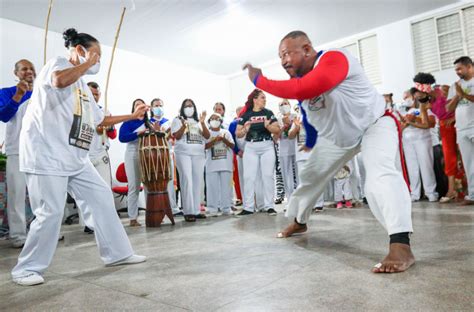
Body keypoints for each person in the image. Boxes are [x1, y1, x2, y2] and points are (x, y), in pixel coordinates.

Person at [243, 30, 414, 273]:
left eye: (286, 53)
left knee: (380, 176)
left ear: (306, 48)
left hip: (374, 124)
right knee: (310, 177)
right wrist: (311, 142)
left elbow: (308, 87)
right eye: (279, 57)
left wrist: (259, 80)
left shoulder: (335, 59)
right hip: (338, 139)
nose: (283, 61)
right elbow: (310, 115)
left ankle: (400, 244)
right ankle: (299, 221)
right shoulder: (303, 91)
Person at [12, 28, 147, 286]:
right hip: (47, 154)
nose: (97, 62)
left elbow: (100, 119)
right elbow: (59, 81)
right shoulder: (59, 64)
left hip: (75, 156)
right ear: (80, 50)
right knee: (50, 211)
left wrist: (132, 116)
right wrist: (86, 63)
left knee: (102, 198)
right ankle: (25, 269)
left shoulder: (83, 85)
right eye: (96, 55)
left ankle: (117, 253)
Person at [0, 59, 36, 248]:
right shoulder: (6, 92)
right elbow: (3, 115)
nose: (29, 71)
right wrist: (18, 95)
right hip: (17, 151)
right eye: (24, 69)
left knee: (42, 194)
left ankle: (41, 231)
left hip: (39, 151)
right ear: (16, 73)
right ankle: (18, 236)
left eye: (31, 68)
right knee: (17, 194)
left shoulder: (41, 94)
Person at [412, 73, 458, 203]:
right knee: (449, 158)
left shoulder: (443, 89)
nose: (419, 91)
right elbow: (426, 124)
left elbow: (461, 102)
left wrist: (454, 118)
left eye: (420, 86)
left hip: (459, 122)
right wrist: (418, 115)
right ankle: (451, 191)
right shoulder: (424, 104)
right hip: (444, 127)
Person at [236, 89, 280, 216]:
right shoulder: (245, 115)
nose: (265, 100)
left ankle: (269, 206)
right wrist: (245, 129)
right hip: (251, 147)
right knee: (248, 177)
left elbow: (277, 130)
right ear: (255, 100)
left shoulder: (269, 113)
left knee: (267, 176)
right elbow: (238, 134)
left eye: (265, 98)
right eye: (262, 97)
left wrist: (268, 126)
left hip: (267, 146)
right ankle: (248, 207)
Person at [80, 81, 116, 234]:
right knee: (85, 192)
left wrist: (108, 127)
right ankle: (89, 224)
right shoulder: (79, 109)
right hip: (84, 154)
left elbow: (113, 135)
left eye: (97, 94)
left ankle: (106, 221)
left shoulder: (105, 112)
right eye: (91, 94)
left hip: (101, 153)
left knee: (105, 188)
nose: (94, 97)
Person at [171, 99, 210, 222]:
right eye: (187, 106)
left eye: (191, 106)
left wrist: (203, 123)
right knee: (186, 179)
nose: (189, 108)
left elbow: (207, 136)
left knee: (197, 181)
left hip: (198, 153)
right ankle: (188, 211)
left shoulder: (199, 121)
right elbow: (176, 136)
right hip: (183, 153)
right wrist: (184, 125)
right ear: (182, 108)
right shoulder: (177, 120)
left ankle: (196, 210)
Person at [400, 89, 438, 202]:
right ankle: (414, 193)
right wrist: (406, 122)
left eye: (407, 97)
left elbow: (430, 123)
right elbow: (401, 126)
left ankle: (431, 192)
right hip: (408, 142)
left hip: (422, 140)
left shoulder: (426, 107)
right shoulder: (406, 111)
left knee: (426, 166)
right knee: (412, 168)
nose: (405, 99)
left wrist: (414, 119)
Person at [446, 56, 474, 205]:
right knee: (469, 163)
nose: (457, 72)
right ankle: (473, 195)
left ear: (469, 66)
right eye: (455, 69)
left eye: (459, 68)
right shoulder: (455, 85)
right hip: (462, 129)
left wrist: (463, 94)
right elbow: (448, 108)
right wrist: (457, 95)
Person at [119, 99, 150, 227]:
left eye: (141, 104)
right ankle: (133, 218)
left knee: (149, 185)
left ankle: (152, 213)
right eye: (137, 105)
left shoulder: (148, 122)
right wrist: (138, 133)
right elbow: (122, 137)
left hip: (147, 154)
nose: (139, 106)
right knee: (134, 187)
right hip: (132, 154)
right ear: (134, 108)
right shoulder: (128, 121)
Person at [149, 98, 182, 215]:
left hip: (167, 153)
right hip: (153, 155)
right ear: (151, 108)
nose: (159, 107)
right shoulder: (148, 122)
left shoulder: (169, 122)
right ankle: (158, 208)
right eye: (156, 105)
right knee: (156, 181)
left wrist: (168, 134)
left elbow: (173, 138)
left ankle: (173, 207)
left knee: (170, 181)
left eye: (160, 105)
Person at [288, 114, 324, 211]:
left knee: (317, 179)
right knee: (303, 181)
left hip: (315, 154)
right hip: (301, 155)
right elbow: (290, 136)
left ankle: (319, 204)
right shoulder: (297, 118)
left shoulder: (316, 116)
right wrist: (297, 127)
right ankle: (306, 204)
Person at [205, 113, 235, 216]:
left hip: (225, 164)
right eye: (212, 118)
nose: (214, 120)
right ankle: (212, 209)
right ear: (209, 121)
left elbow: (232, 145)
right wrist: (214, 140)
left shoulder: (226, 132)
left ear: (221, 121)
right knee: (212, 188)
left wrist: (223, 139)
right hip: (211, 165)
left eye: (217, 118)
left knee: (226, 188)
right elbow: (205, 146)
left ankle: (226, 208)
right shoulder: (207, 133)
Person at [277, 99, 297, 203]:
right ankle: (290, 200)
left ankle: (301, 200)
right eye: (281, 104)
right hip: (284, 150)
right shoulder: (277, 119)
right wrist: (283, 127)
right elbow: (275, 137)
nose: (284, 105)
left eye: (285, 103)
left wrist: (291, 124)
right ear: (279, 108)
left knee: (299, 175)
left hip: (296, 147)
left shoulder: (296, 116)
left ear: (289, 105)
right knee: (286, 176)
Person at [228, 106, 244, 206]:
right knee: (240, 177)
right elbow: (232, 139)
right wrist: (237, 151)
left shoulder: (250, 121)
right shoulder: (233, 124)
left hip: (251, 152)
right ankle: (241, 198)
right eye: (240, 112)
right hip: (239, 154)